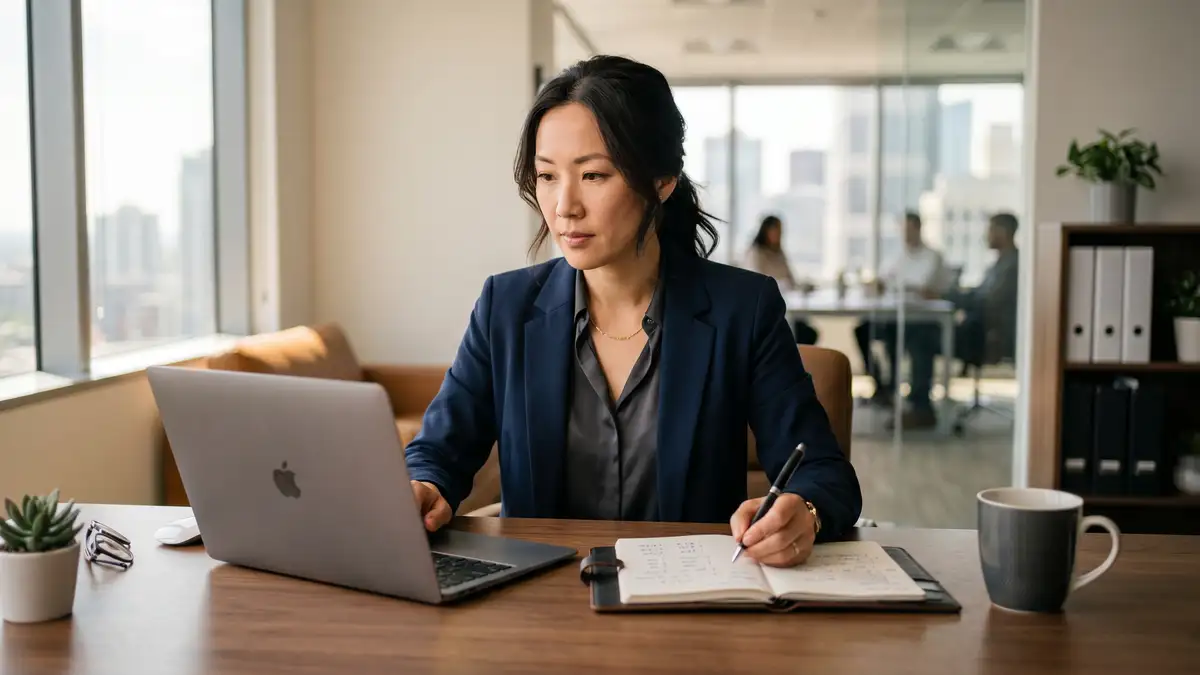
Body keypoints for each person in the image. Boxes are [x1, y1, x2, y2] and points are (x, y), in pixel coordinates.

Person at [403, 55, 861, 568]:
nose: (564, 206)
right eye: (547, 176)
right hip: (539, 593)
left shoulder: (742, 310)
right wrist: (425, 486)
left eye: (593, 175)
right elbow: (437, 451)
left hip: (690, 592)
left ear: (662, 181)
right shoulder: (505, 308)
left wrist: (805, 510)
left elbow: (824, 473)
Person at [853, 211, 948, 428]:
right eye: (902, 229)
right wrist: (878, 285)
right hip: (895, 318)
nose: (905, 234)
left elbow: (923, 288)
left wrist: (896, 286)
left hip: (923, 321)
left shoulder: (932, 256)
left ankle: (920, 406)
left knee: (917, 339)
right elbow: (885, 280)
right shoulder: (899, 256)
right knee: (863, 329)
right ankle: (883, 388)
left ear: (918, 228)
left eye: (908, 229)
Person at [944, 212, 1020, 367]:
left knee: (927, 336)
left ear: (1002, 232)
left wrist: (950, 297)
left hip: (991, 331)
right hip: (982, 326)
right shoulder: (999, 264)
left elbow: (988, 300)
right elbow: (980, 293)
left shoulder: (1012, 266)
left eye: (990, 230)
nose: (987, 236)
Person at [739, 215, 819, 345]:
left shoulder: (779, 253)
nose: (779, 234)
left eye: (780, 231)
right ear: (766, 231)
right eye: (776, 230)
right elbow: (757, 284)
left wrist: (802, 286)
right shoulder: (755, 254)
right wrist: (783, 284)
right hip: (765, 311)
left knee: (808, 332)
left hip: (785, 305)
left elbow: (791, 280)